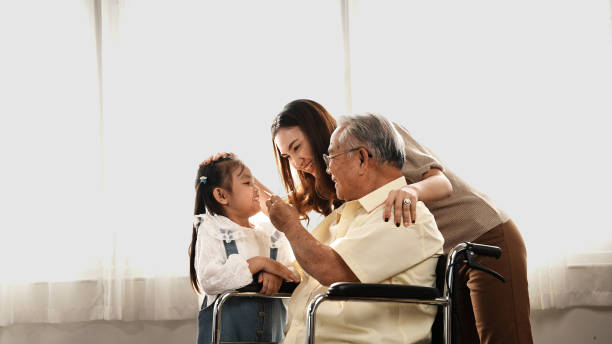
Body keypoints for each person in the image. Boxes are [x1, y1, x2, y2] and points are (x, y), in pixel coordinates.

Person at [260, 99, 533, 344]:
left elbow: (441, 182)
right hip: (446, 254)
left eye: (296, 147)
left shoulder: (373, 135)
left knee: (503, 338)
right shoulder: (339, 175)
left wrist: (411, 192)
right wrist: (229, 176)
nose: (296, 162)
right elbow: (282, 207)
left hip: (483, 234)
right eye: (287, 156)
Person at [265, 113, 445, 343]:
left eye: (332, 158)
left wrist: (290, 226)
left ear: (361, 158)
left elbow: (330, 269)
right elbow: (301, 271)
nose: (328, 169)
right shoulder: (345, 215)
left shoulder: (404, 214)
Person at [188, 155, 300, 344]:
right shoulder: (213, 230)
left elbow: (294, 274)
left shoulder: (270, 235)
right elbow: (210, 279)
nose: (257, 189)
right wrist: (261, 263)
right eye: (248, 182)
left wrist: (277, 275)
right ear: (222, 195)